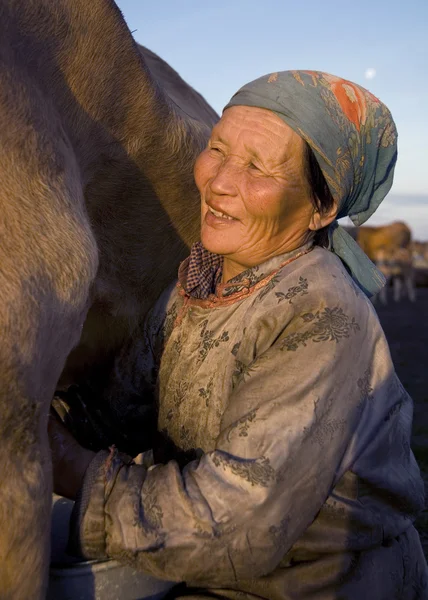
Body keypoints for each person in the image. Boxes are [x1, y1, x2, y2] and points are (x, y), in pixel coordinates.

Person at [49, 70, 428, 599]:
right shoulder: (195, 286)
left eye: (258, 168)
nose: (218, 181)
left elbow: (237, 526)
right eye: (217, 149)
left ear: (321, 208)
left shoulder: (320, 311)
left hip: (321, 585)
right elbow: (117, 412)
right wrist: (40, 414)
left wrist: (76, 472)